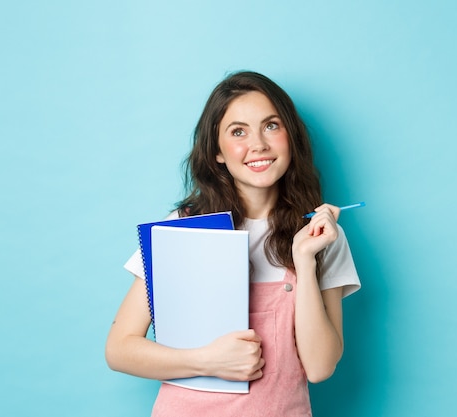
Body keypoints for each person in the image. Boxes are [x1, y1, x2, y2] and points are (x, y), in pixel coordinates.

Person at [105, 71, 361, 416]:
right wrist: (206, 360)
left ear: (291, 138)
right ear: (217, 153)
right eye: (238, 131)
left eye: (271, 125)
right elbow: (120, 349)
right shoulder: (182, 228)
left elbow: (319, 368)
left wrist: (303, 260)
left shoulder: (321, 235)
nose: (258, 144)